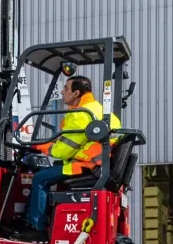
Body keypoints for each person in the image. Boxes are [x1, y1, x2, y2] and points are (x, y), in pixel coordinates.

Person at [26, 76, 121, 232]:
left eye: (66, 88)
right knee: (50, 171)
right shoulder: (99, 109)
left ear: (76, 93)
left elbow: (63, 151)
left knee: (40, 178)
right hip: (99, 165)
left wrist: (39, 146)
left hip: (85, 166)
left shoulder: (81, 115)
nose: (62, 92)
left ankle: (35, 228)